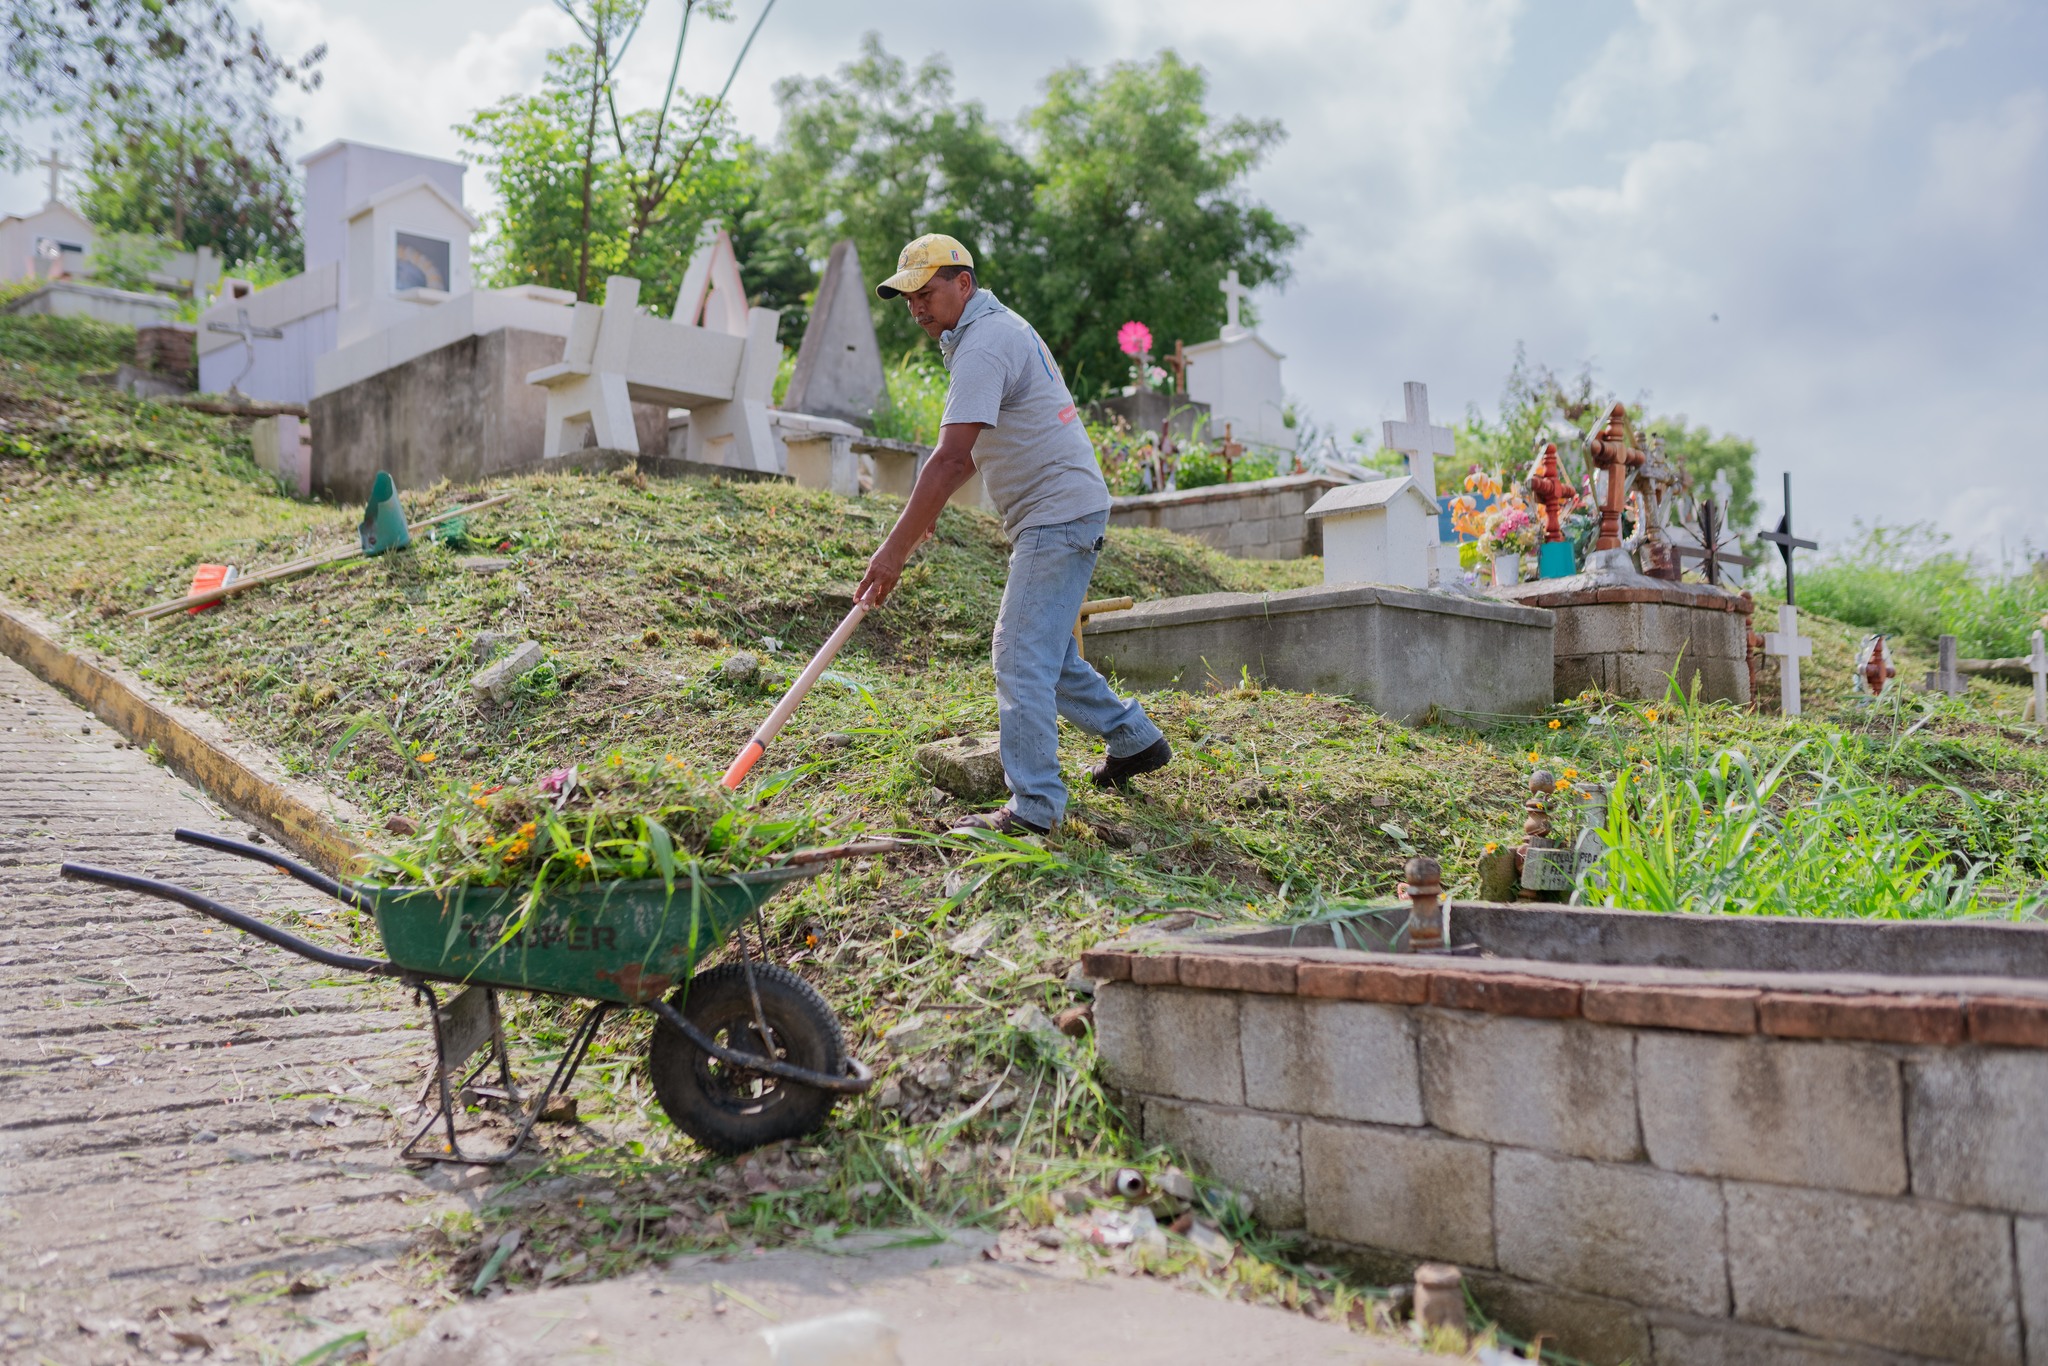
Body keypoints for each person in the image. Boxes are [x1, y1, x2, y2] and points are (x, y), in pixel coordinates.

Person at [854, 234, 1171, 836]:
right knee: (1042, 649)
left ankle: (1034, 809)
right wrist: (923, 520)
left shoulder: (985, 343)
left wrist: (891, 552)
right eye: (908, 297)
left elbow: (949, 460)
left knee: (1019, 649)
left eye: (927, 291)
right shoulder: (993, 331)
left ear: (963, 284)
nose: (917, 307)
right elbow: (973, 451)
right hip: (1065, 508)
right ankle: (1133, 738)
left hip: (1057, 513)